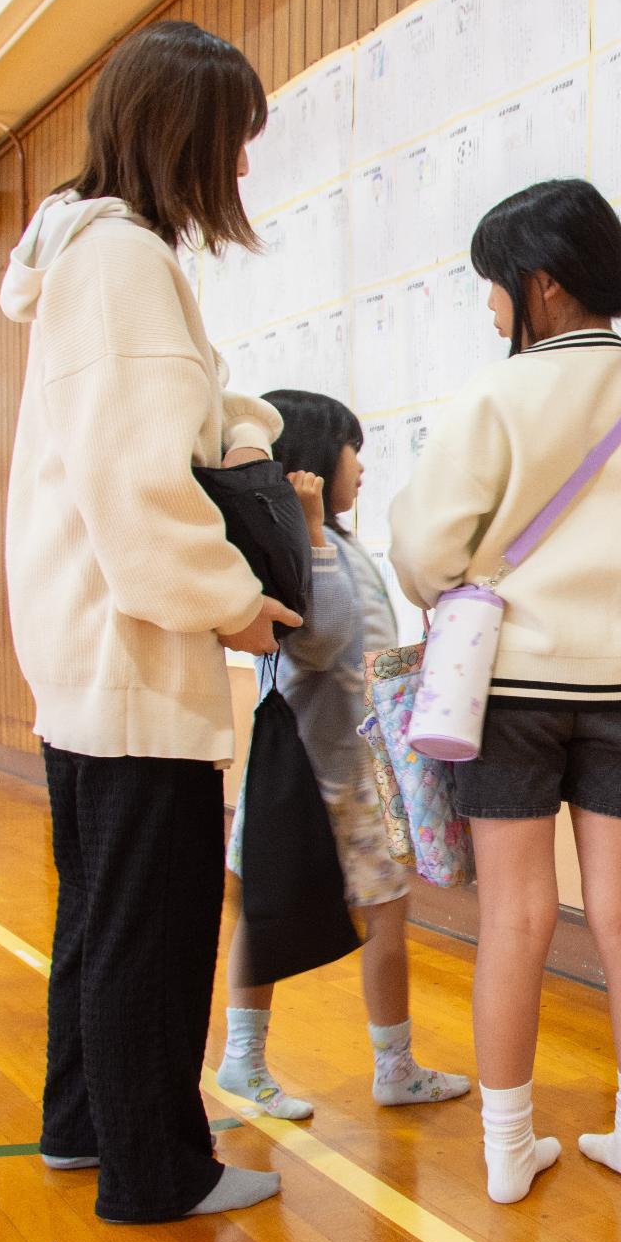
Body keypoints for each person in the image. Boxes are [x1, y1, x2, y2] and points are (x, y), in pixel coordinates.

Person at [0, 20, 302, 1224]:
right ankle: (156, 1170)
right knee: (153, 927)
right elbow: (139, 482)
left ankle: (85, 1128)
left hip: (84, 652)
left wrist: (239, 423)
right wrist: (235, 607)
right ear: (187, 135)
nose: (238, 173)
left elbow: (164, 416)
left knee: (100, 912)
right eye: (234, 146)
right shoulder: (121, 261)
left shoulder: (87, 254)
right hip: (131, 652)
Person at [389, 179, 621, 1204]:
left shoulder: (496, 399)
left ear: (538, 286)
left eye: (492, 288)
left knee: (516, 918)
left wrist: (466, 593)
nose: (488, 309)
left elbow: (420, 548)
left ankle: (505, 1149)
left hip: (505, 693)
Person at [217, 390, 471, 1119]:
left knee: (388, 913)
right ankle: (242, 1061)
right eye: (353, 448)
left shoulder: (336, 542)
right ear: (317, 459)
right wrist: (309, 536)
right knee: (264, 914)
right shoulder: (297, 541)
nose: (361, 465)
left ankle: (395, 1065)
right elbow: (322, 642)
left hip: (359, 775)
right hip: (309, 774)